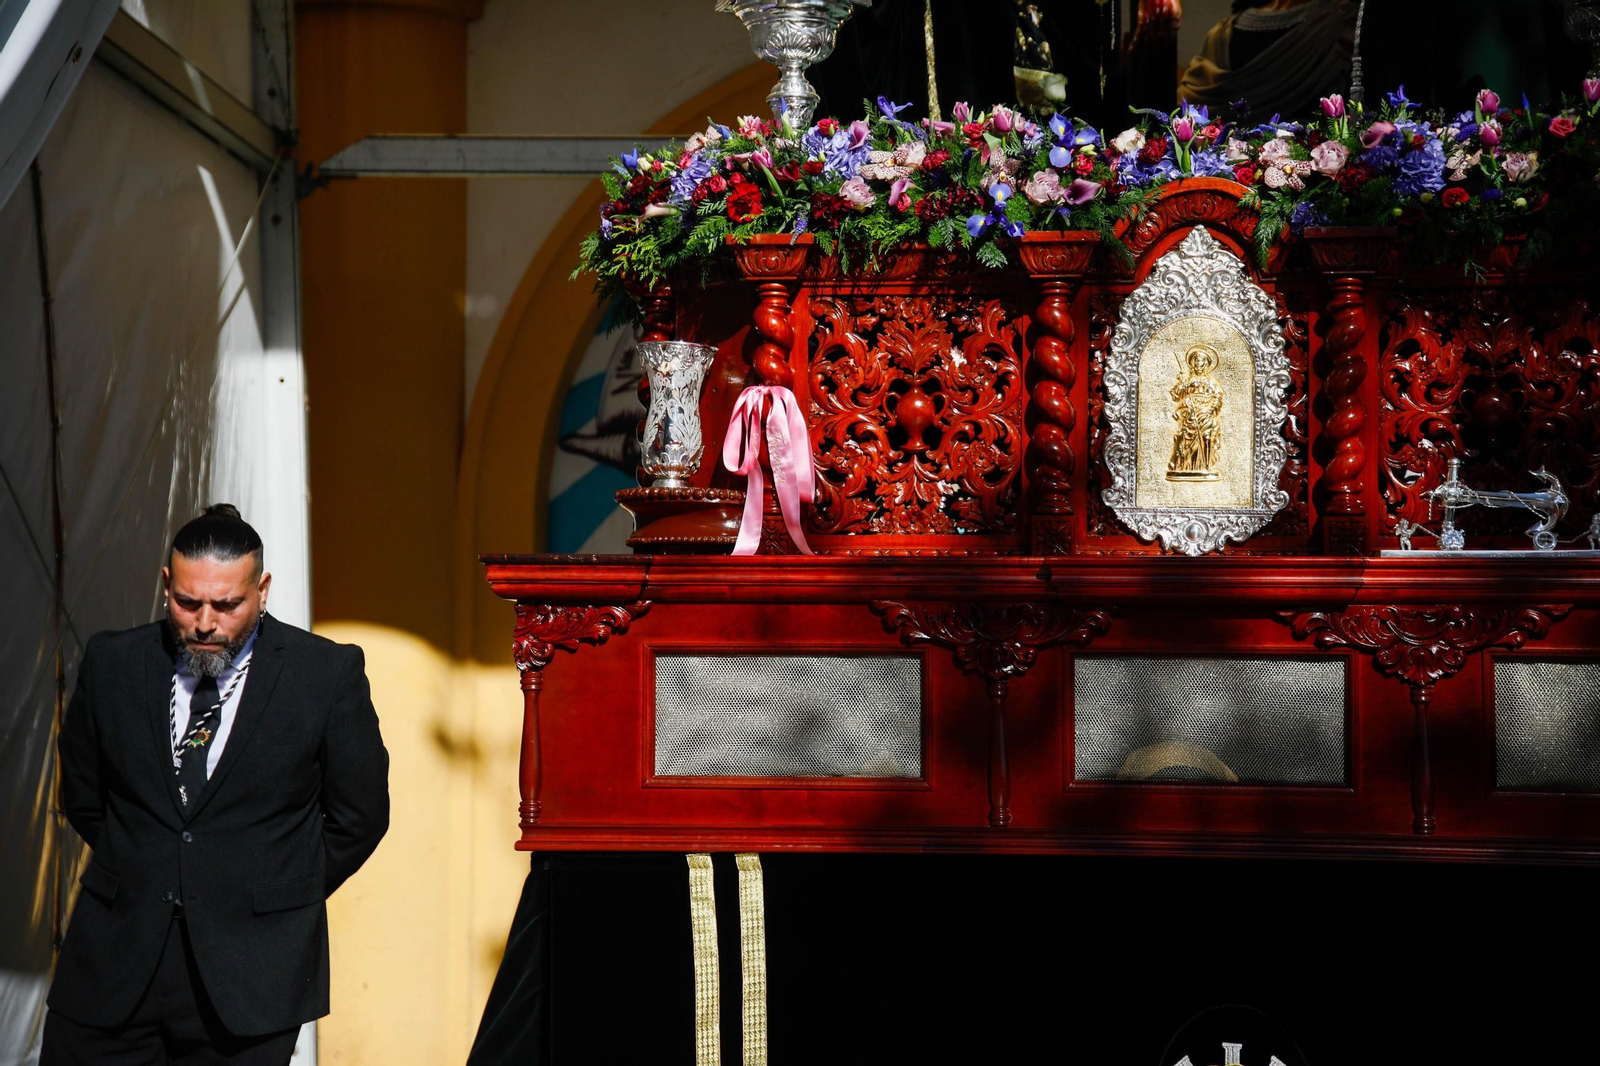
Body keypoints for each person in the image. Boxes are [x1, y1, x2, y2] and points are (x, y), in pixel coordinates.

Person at [41, 504, 390, 1065]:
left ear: (263, 589)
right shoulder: (113, 663)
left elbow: (360, 817)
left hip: (252, 979)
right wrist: (143, 865)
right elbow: (84, 796)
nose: (205, 622)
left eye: (227, 604)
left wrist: (272, 893)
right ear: (165, 585)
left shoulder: (324, 675)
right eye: (187, 602)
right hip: (113, 965)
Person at [1176, 0, 1357, 117]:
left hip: (1312, 160)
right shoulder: (1224, 32)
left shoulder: (1343, 24)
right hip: (1219, 162)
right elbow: (1191, 100)